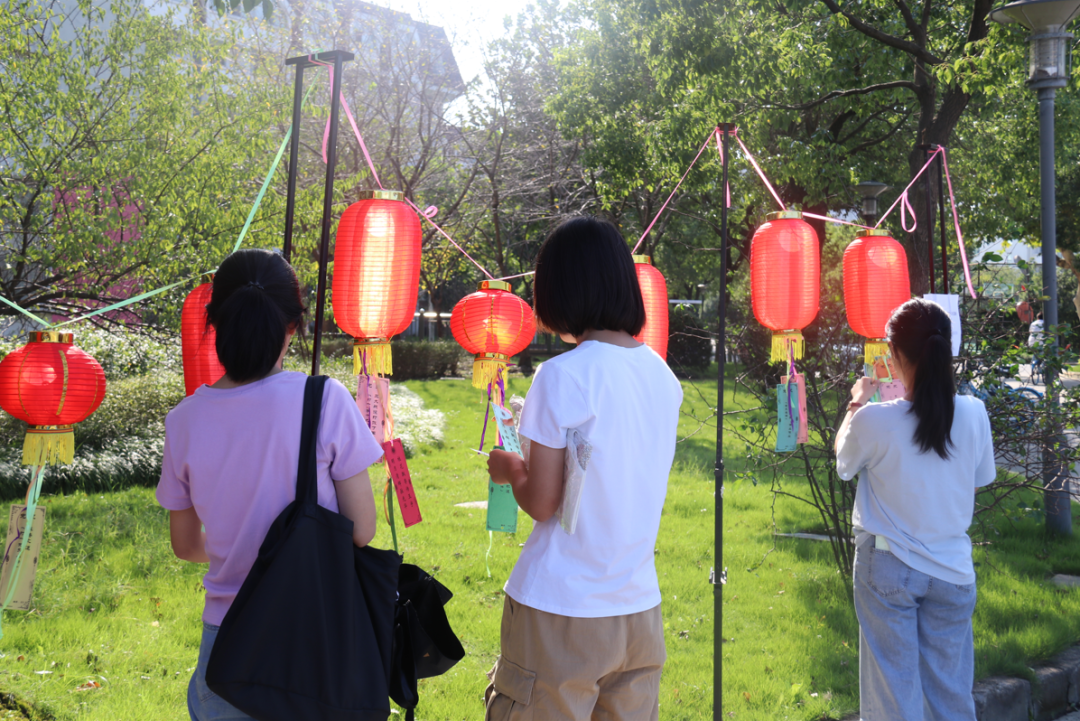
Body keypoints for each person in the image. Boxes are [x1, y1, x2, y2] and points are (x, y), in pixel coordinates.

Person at [156, 249, 382, 721]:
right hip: (311, 634)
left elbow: (185, 545)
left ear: (214, 322)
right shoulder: (323, 400)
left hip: (226, 646)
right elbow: (361, 530)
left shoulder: (184, 421)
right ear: (293, 326)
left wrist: (240, 546)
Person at [485, 216, 683, 721]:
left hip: (562, 606)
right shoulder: (662, 375)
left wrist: (508, 467)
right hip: (638, 609)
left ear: (559, 290)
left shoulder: (562, 374)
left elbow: (542, 502)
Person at [835, 298, 996, 721]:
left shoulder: (874, 419)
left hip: (888, 566)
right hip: (953, 571)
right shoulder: (975, 413)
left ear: (892, 352)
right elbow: (975, 481)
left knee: (894, 701)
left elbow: (844, 464)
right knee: (952, 699)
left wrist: (856, 403)